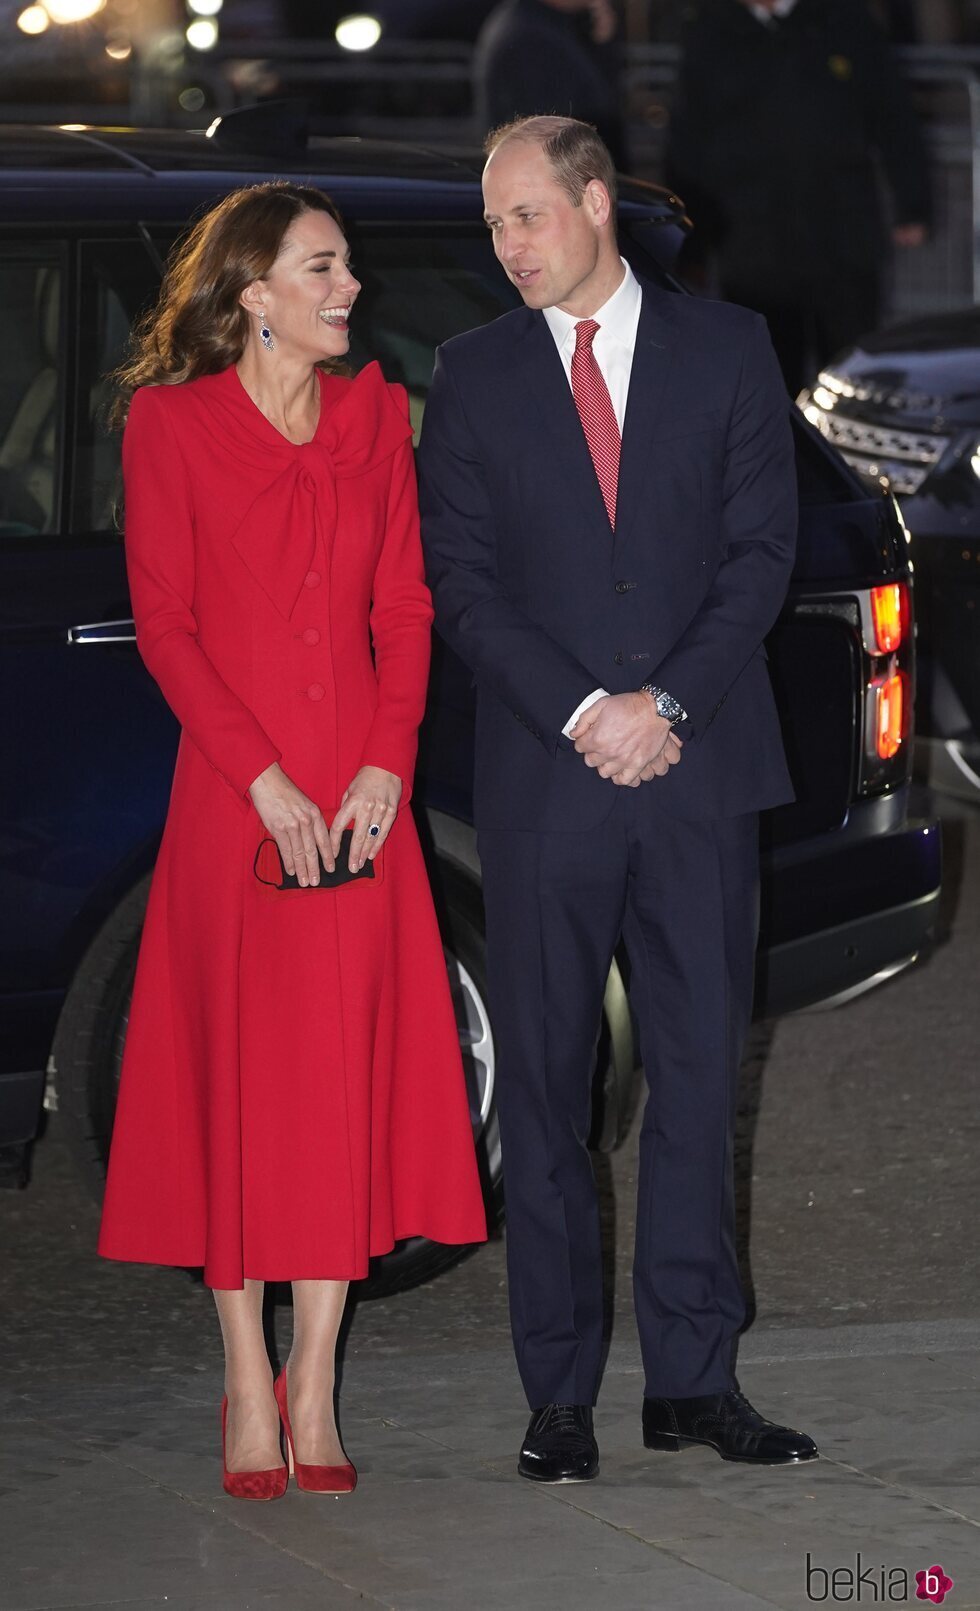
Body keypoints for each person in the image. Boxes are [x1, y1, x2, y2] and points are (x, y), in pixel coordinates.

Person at [417, 115, 818, 1483]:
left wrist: (673, 706)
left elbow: (765, 551)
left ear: (594, 202)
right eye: (492, 226)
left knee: (703, 1079)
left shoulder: (728, 347)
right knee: (543, 1088)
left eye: (524, 216)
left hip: (701, 771)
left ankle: (696, 1380)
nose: (505, 246)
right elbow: (461, 584)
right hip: (547, 781)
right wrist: (590, 713)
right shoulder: (471, 375)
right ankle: (561, 1391)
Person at [97, 181, 487, 1500]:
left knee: (339, 1087)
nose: (351, 287)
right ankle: (241, 1377)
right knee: (240, 1089)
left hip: (359, 802)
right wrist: (261, 777)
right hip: (237, 801)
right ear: (254, 294)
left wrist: (388, 760)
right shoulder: (171, 425)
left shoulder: (379, 418)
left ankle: (314, 1377)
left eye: (348, 267)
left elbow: (406, 605)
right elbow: (168, 625)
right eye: (322, 267)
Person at [667, 0, 932, 396]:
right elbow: (688, 144)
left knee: (853, 377)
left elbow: (893, 114)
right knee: (766, 384)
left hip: (843, 237)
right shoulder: (713, 30)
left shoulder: (843, 20)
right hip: (753, 244)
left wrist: (914, 203)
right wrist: (689, 244)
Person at [475, 0, 627, 170]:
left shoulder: (546, 25)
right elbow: (551, 138)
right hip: (559, 183)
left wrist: (601, 44)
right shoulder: (531, 36)